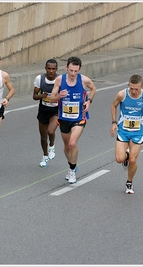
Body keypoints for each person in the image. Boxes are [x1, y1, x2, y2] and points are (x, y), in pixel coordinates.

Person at [110, 74, 143, 194]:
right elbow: (114, 105)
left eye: (136, 89)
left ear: (142, 87)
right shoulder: (122, 94)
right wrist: (113, 122)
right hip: (123, 130)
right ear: (128, 85)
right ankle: (125, 157)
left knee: (133, 160)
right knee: (119, 159)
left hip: (138, 132)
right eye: (131, 88)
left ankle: (129, 183)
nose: (133, 91)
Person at [50, 56, 96, 184]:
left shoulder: (84, 80)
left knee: (72, 143)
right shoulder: (59, 80)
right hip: (64, 118)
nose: (73, 74)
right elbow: (51, 99)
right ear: (66, 68)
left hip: (79, 118)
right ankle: (73, 165)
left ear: (79, 69)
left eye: (76, 71)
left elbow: (93, 89)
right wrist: (59, 96)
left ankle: (71, 171)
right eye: (71, 70)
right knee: (66, 147)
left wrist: (89, 101)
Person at [32, 59, 59, 168]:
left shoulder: (60, 80)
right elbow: (34, 96)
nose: (51, 71)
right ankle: (45, 156)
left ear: (56, 69)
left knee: (51, 131)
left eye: (53, 69)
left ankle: (52, 146)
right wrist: (42, 96)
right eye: (49, 68)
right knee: (43, 137)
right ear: (45, 68)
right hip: (43, 109)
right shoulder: (40, 79)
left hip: (55, 110)